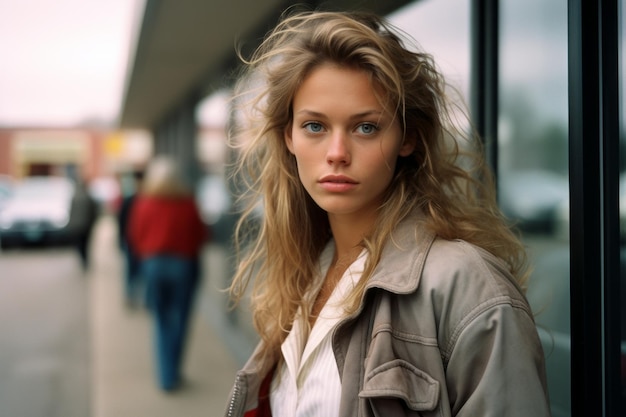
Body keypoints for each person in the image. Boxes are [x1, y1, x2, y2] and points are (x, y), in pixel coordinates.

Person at [223, 10, 551, 417]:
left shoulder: (468, 288)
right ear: (288, 136)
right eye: (314, 126)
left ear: (407, 137)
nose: (337, 153)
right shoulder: (303, 276)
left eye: (366, 128)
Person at [127, 156, 206, 391]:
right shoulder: (187, 202)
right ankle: (174, 372)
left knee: (161, 320)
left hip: (154, 264)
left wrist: (146, 257)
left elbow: (135, 235)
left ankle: (166, 376)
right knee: (180, 319)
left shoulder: (144, 202)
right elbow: (200, 235)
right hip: (183, 264)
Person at [117, 169, 145, 307]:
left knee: (138, 272)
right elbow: (121, 222)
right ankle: (130, 297)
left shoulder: (145, 199)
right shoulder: (131, 200)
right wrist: (121, 240)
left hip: (142, 244)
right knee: (131, 272)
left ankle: (140, 298)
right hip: (132, 242)